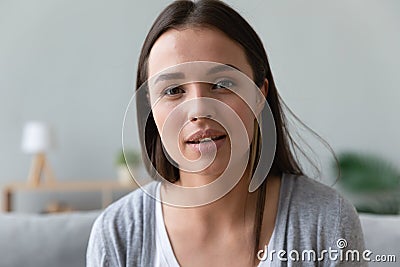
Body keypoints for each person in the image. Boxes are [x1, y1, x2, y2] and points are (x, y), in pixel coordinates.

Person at [87, 0, 366, 266]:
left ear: (260, 95)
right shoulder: (117, 235)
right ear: (151, 109)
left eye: (222, 84)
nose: (200, 109)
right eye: (173, 91)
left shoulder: (328, 221)